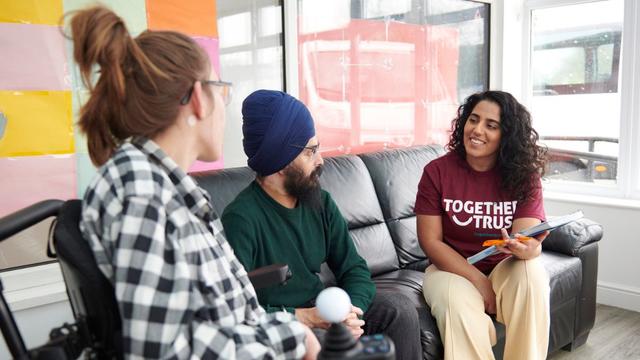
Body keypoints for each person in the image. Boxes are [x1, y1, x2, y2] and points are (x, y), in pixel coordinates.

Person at [72, 6, 319, 359]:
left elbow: (205, 315)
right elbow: (163, 351)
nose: (225, 109)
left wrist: (287, 331)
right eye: (222, 92)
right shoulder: (142, 192)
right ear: (200, 98)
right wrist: (291, 338)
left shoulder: (159, 186)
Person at [221, 89, 422, 360]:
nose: (321, 160)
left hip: (327, 311)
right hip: (286, 325)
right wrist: (304, 318)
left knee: (398, 308)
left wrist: (351, 311)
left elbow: (354, 268)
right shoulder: (241, 219)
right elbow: (234, 308)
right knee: (319, 341)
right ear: (280, 161)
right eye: (310, 151)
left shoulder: (321, 202)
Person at [415, 90, 550, 360]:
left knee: (531, 275)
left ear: (507, 135)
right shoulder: (436, 172)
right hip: (450, 269)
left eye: (491, 125)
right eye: (473, 120)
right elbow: (431, 242)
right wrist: (479, 281)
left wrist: (530, 250)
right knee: (454, 303)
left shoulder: (524, 177)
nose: (477, 130)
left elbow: (526, 241)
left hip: (504, 265)